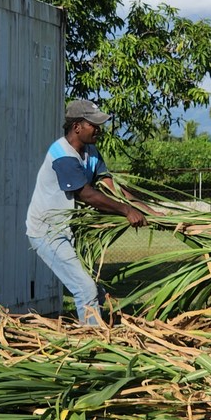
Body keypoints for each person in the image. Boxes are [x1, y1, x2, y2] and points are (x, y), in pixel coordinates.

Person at [26, 99, 154, 326]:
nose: (99, 129)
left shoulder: (91, 152)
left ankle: (98, 330)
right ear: (77, 126)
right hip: (48, 232)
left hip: (69, 230)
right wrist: (126, 211)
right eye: (93, 124)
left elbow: (108, 185)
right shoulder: (62, 155)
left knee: (96, 288)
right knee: (85, 289)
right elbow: (87, 194)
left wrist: (147, 210)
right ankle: (93, 346)